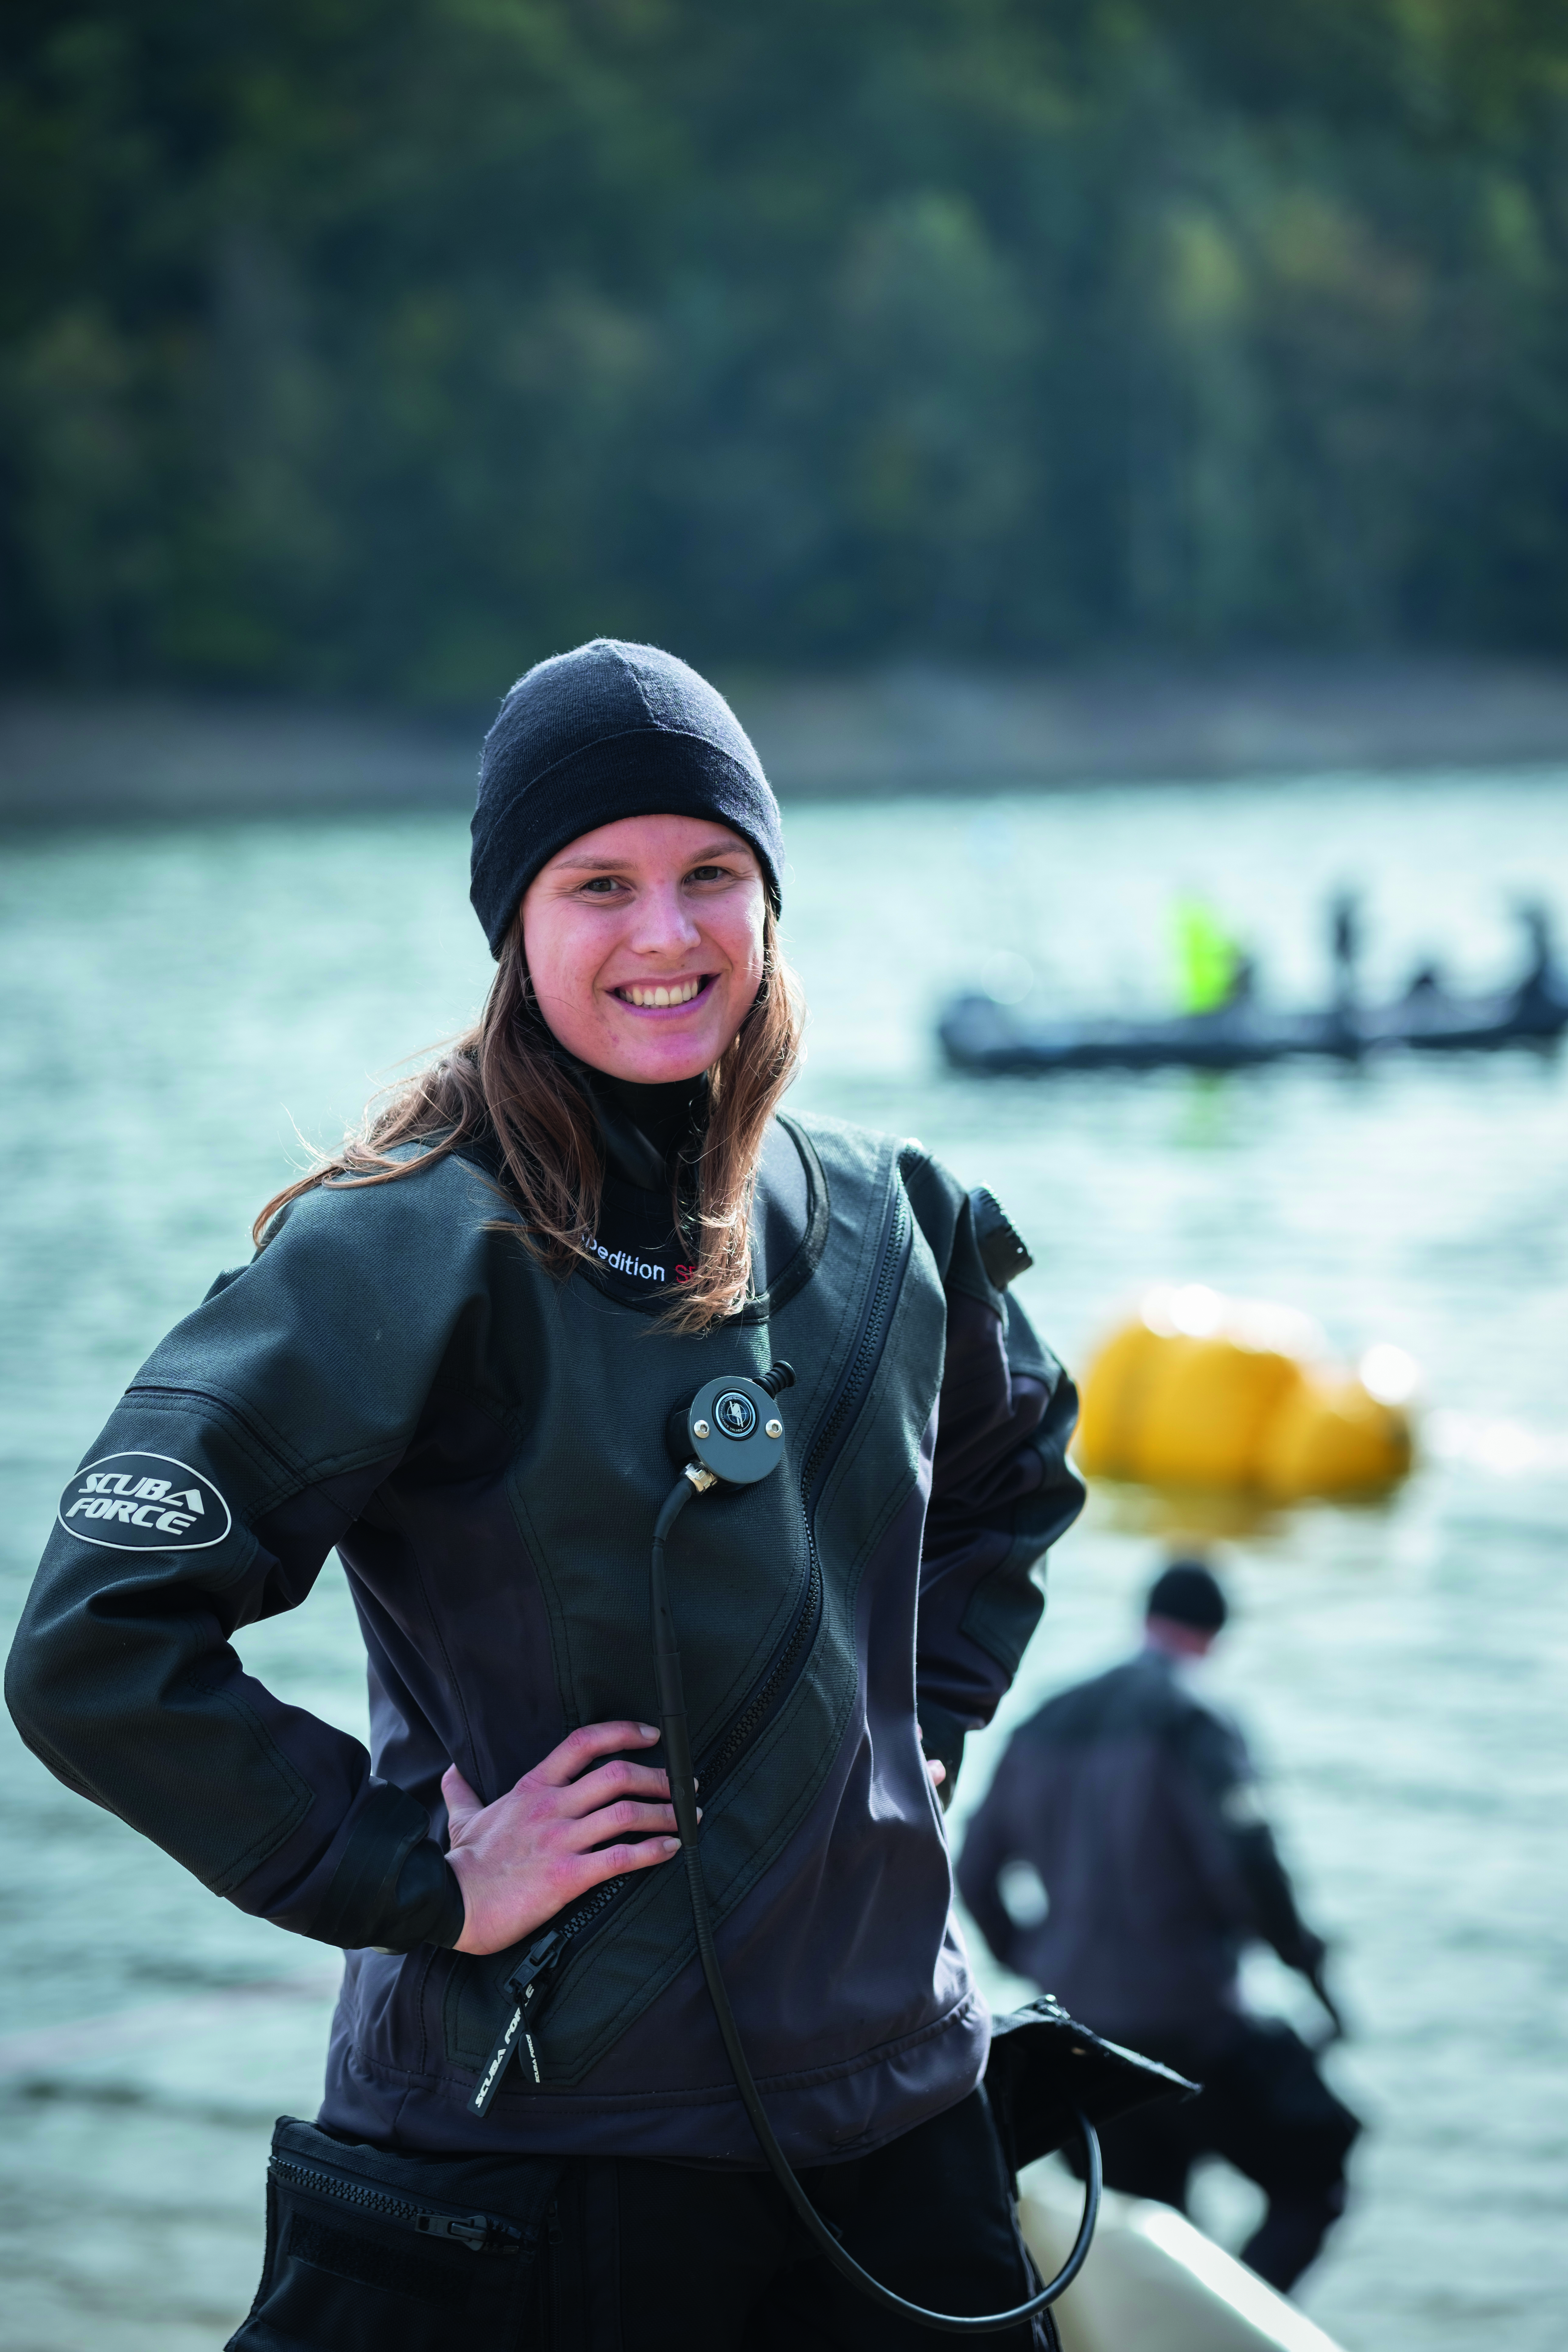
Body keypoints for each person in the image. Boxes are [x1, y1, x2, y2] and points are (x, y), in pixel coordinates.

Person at [6, 639, 1085, 2351]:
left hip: (904, 2140)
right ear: (516, 923)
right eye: (600, 884)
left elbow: (1017, 1477)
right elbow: (93, 1646)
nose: (667, 934)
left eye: (711, 874)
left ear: (770, 895)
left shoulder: (903, 1220)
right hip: (536, 2167)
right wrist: (419, 1873)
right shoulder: (404, 1251)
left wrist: (915, 1727)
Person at [957, 1559, 1359, 2296]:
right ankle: (1237, 2333)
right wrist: (1308, 1969)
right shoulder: (1194, 1716)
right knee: (1318, 2171)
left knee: (1150, 2229)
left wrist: (1041, 1961)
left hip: (1086, 2046)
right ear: (1215, 1634)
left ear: (1145, 1617)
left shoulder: (1046, 1718)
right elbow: (1249, 1867)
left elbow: (973, 1873)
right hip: (1193, 2025)